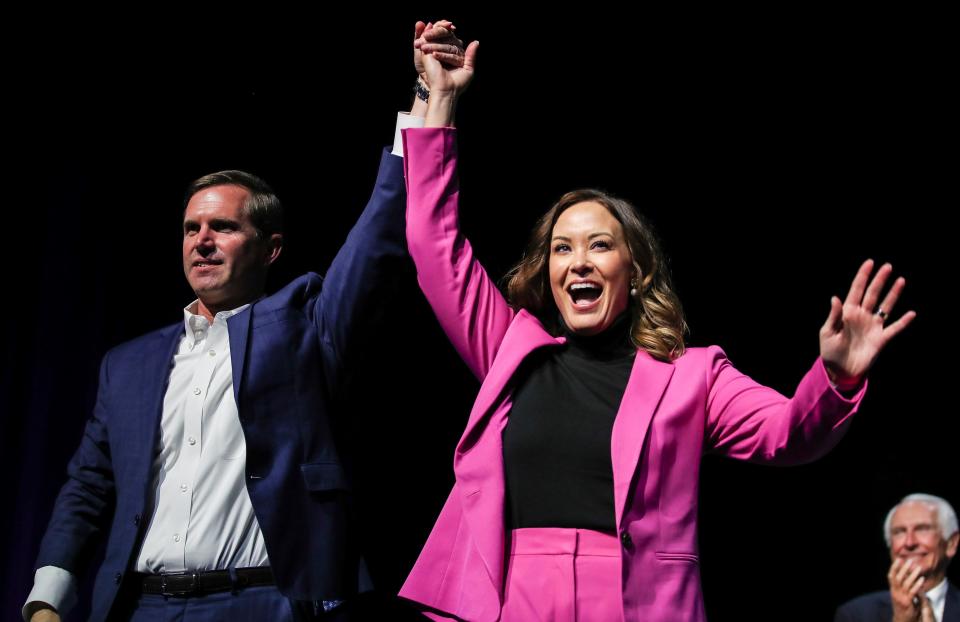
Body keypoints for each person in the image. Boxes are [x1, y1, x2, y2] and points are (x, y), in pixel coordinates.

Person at [396, 33, 915, 622]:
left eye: (599, 245)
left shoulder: (693, 376)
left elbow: (789, 433)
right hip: (512, 598)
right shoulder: (510, 350)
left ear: (635, 271)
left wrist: (837, 378)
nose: (579, 262)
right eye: (562, 249)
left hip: (630, 604)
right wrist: (438, 102)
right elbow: (433, 243)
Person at [22, 21, 465, 622]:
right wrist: (47, 599)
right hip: (138, 608)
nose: (202, 241)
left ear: (270, 248)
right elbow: (89, 485)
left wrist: (428, 98)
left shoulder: (305, 325)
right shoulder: (127, 364)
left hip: (264, 603)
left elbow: (383, 229)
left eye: (223, 228)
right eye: (190, 229)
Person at [836, 494, 960, 622]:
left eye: (922, 529)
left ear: (951, 543)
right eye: (899, 531)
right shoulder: (855, 615)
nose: (909, 542)